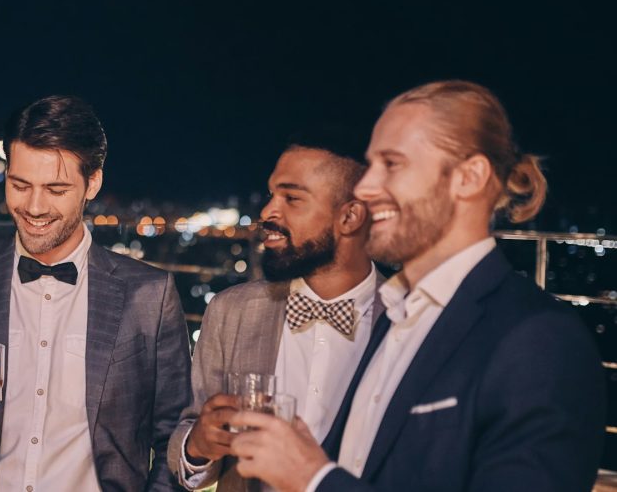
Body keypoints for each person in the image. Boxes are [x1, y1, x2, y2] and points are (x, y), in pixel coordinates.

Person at [227, 80, 606, 492]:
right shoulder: (396, 317)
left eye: (391, 164)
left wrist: (313, 479)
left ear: (469, 177)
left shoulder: (542, 340)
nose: (366, 188)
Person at [0, 95, 192, 491]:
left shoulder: (149, 295)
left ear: (93, 182)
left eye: (55, 188)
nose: (34, 206)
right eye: (20, 185)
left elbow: (175, 435)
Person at [169, 139, 384, 491]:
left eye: (292, 198)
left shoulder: (410, 317)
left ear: (350, 216)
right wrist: (198, 446)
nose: (268, 211)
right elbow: (188, 441)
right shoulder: (231, 310)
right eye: (271, 195)